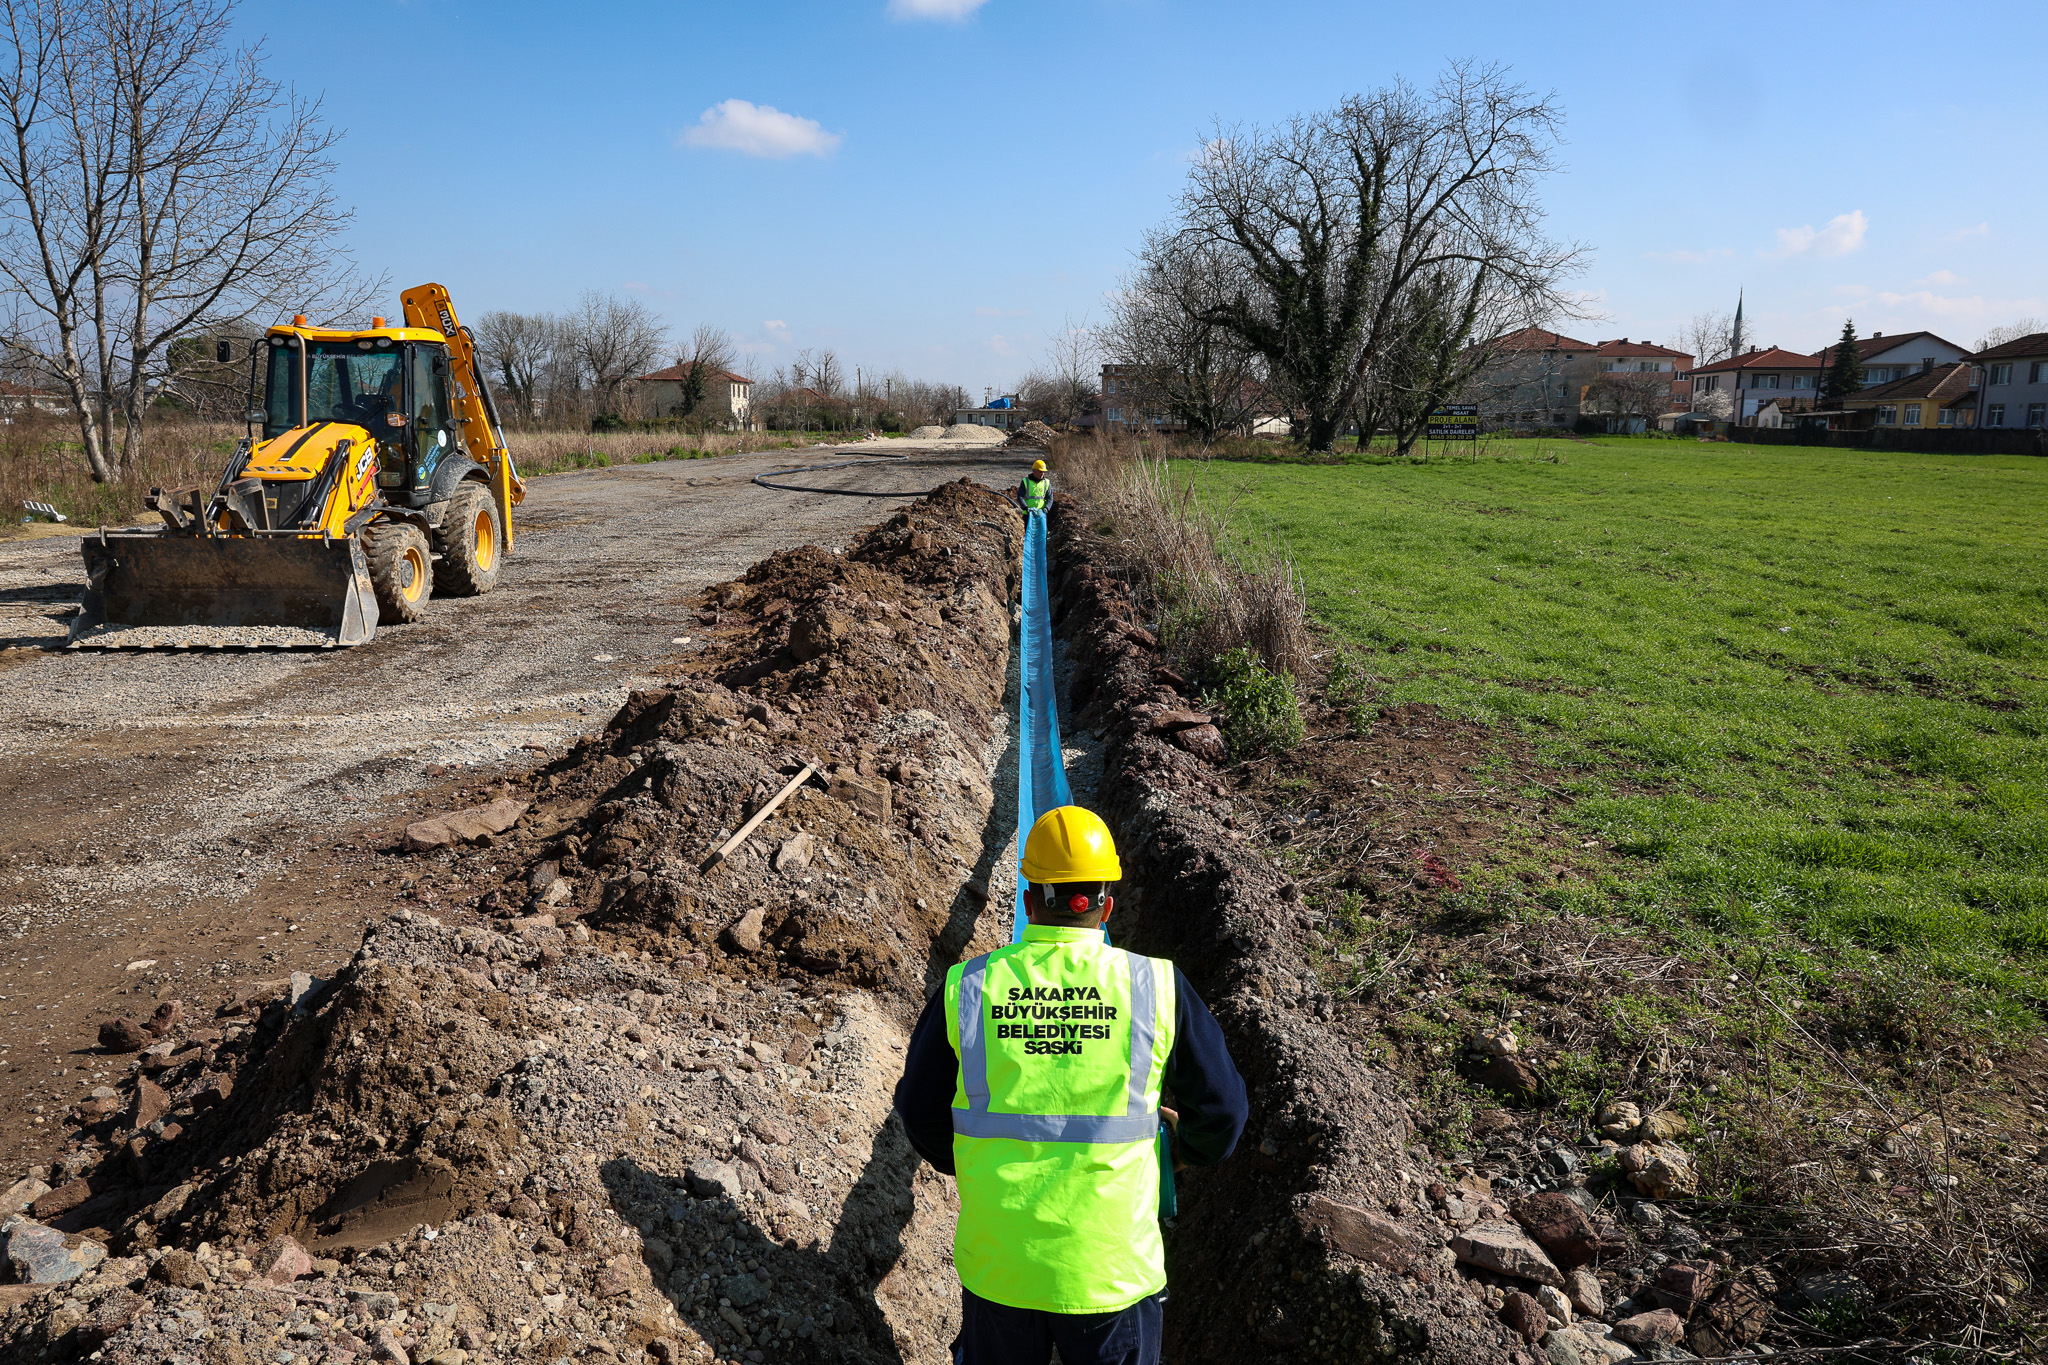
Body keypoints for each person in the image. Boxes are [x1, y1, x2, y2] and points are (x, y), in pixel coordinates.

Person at [893, 806, 1247, 1365]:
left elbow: (918, 1109)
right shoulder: (1156, 985)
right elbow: (1223, 1113)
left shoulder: (968, 987)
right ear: (1107, 904)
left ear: (1027, 900)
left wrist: (975, 1162)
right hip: (1112, 1273)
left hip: (1001, 1266)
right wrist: (1179, 1154)